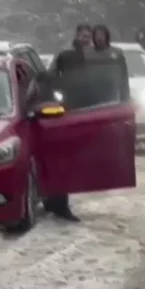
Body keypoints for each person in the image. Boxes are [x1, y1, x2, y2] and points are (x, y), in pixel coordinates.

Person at [39, 24, 97, 222]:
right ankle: (59, 203)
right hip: (66, 111)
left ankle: (56, 199)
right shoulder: (65, 56)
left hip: (87, 111)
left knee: (73, 161)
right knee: (64, 159)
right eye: (83, 35)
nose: (85, 39)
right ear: (77, 36)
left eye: (88, 36)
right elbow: (51, 76)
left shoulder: (97, 57)